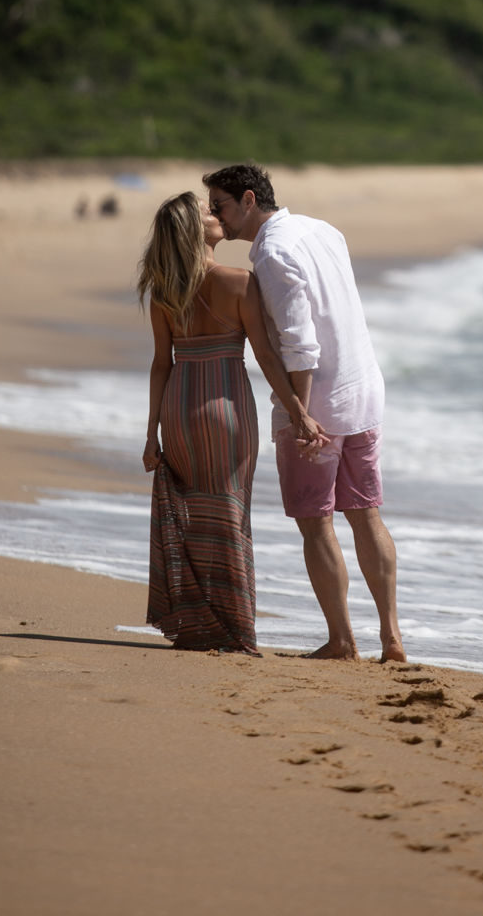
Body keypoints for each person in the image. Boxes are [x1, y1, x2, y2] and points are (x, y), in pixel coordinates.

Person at [203, 162, 406, 664]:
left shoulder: (270, 252)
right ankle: (391, 639)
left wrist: (299, 413)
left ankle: (341, 642)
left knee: (316, 524)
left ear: (249, 200)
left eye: (220, 206)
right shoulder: (322, 229)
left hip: (318, 404)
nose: (215, 217)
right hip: (363, 390)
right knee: (366, 515)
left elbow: (299, 343)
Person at [137, 191, 324, 655]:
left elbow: (161, 363)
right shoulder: (239, 281)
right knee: (229, 513)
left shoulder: (164, 291)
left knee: (195, 513)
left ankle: (200, 623)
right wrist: (299, 411)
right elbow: (264, 354)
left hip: (179, 406)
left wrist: (150, 433)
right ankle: (233, 629)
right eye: (206, 212)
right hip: (225, 406)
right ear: (194, 231)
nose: (216, 215)